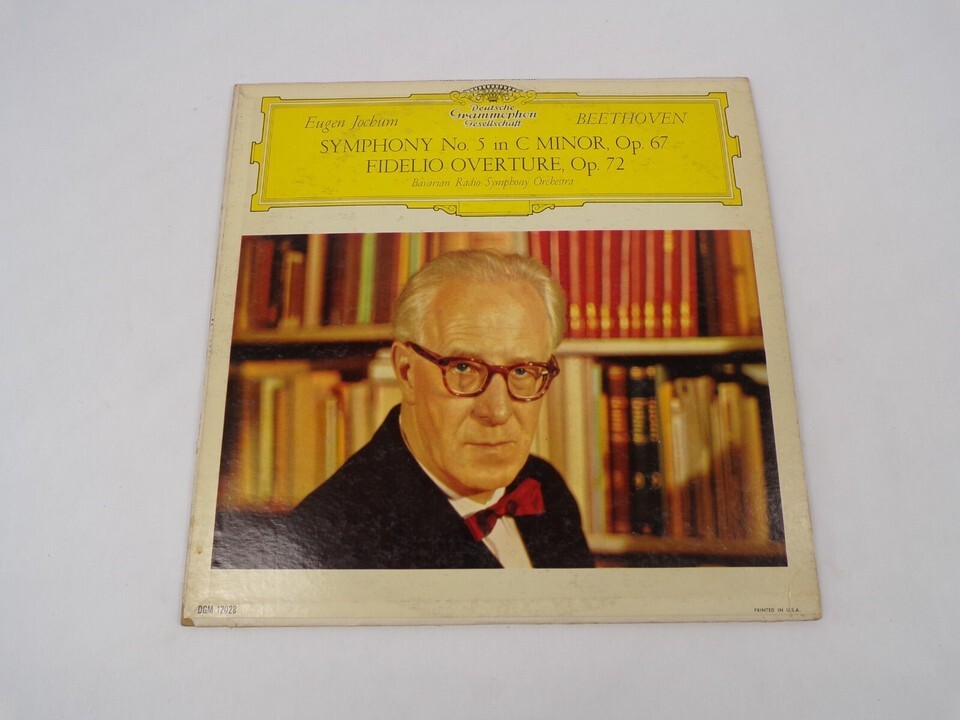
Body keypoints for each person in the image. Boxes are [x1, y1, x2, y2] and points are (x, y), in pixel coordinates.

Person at [283, 249, 594, 569]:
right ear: (406, 372)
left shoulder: (546, 486)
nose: (497, 411)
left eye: (522, 371)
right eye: (463, 368)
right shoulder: (325, 542)